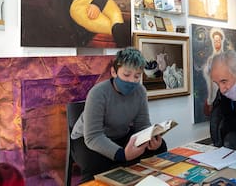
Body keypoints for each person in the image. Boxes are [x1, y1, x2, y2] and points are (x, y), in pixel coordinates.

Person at [70, 47, 167, 183]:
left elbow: (142, 124)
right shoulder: (98, 93)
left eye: (137, 76)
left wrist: (150, 139)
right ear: (114, 72)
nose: (132, 81)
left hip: (119, 133)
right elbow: (93, 136)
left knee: (160, 146)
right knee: (97, 164)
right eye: (126, 75)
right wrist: (122, 154)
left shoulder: (140, 91)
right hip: (86, 138)